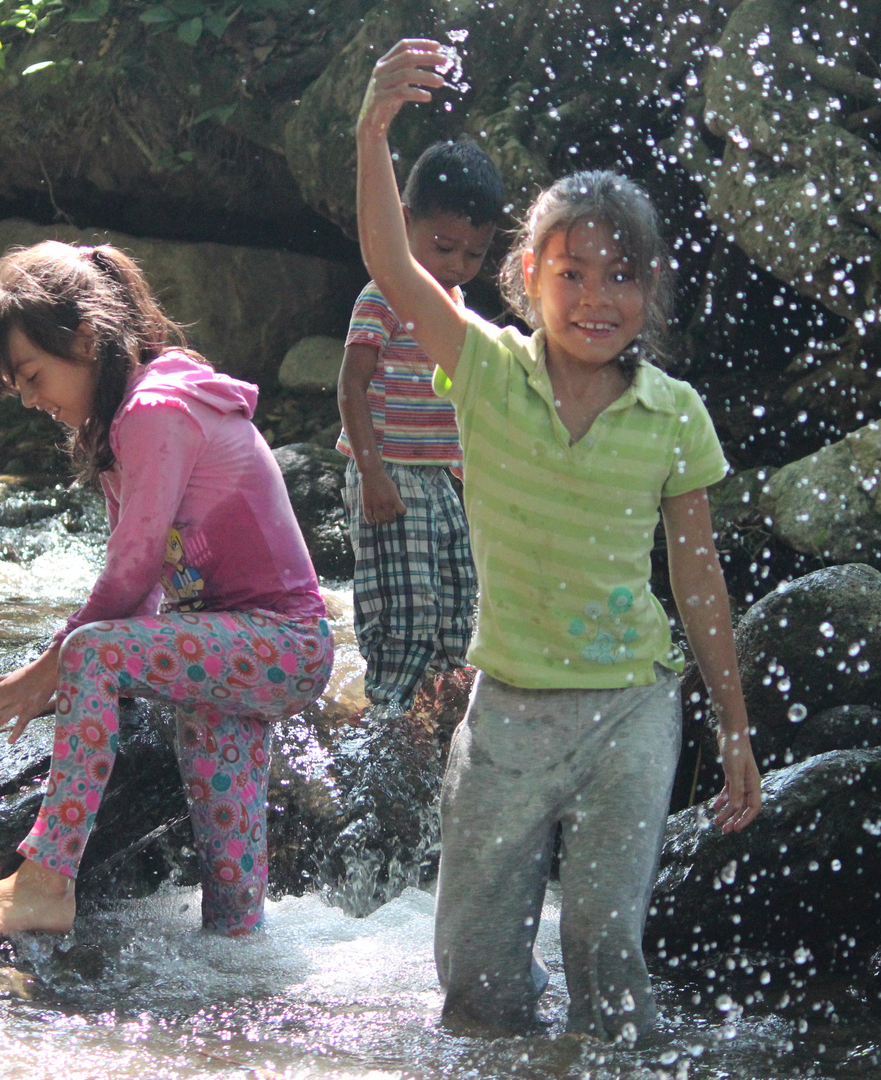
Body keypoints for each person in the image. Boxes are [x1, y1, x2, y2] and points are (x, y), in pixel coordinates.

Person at [355, 41, 764, 1042]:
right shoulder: (487, 371)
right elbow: (389, 267)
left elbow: (698, 578)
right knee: (477, 978)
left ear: (651, 290)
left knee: (605, 955)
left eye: (620, 278)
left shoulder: (674, 416)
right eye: (571, 273)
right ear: (528, 275)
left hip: (631, 711)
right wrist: (371, 129)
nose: (596, 299)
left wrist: (736, 727)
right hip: (507, 716)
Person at [0, 242, 333, 938]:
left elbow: (131, 573)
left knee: (93, 653)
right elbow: (140, 598)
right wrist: (60, 662)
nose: (28, 399)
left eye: (31, 375)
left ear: (85, 338)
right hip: (224, 653)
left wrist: (54, 664)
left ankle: (48, 879)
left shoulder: (154, 412)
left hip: (281, 643)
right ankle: (241, 989)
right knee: (231, 905)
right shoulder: (124, 429)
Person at [336, 139, 502, 710]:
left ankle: (435, 705)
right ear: (405, 222)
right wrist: (371, 472)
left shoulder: (455, 309)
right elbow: (351, 384)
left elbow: (461, 396)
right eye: (444, 246)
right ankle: (387, 715)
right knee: (406, 601)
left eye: (474, 255)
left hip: (437, 475)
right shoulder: (382, 295)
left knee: (458, 591)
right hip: (389, 471)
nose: (456, 265)